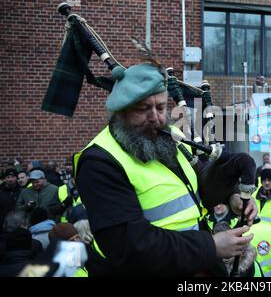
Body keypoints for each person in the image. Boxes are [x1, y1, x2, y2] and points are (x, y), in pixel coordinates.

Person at [75, 62, 257, 276]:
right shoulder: (98, 162)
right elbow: (129, 246)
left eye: (161, 107)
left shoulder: (166, 134)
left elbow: (192, 186)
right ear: (121, 111)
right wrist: (211, 246)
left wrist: (230, 196)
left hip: (193, 264)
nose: (156, 118)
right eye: (143, 109)